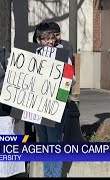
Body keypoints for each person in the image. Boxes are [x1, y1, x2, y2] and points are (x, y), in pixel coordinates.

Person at [32, 22, 74, 177]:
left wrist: (60, 101)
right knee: (43, 143)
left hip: (56, 105)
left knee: (54, 143)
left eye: (51, 38)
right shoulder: (32, 54)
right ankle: (47, 174)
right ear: (38, 40)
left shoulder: (62, 54)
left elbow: (70, 79)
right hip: (37, 106)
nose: (49, 41)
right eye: (45, 39)